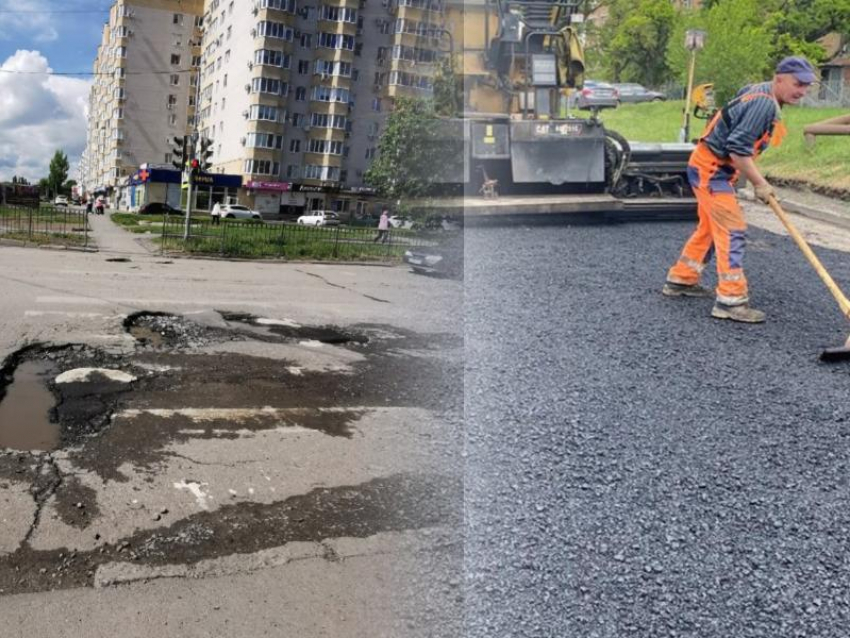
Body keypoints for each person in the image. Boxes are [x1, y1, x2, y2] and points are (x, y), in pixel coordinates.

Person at [663, 56, 816, 323]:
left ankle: (681, 279)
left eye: (807, 86)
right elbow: (736, 150)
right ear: (779, 78)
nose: (802, 91)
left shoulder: (759, 91)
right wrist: (760, 184)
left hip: (707, 165)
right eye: (798, 84)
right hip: (712, 171)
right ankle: (731, 301)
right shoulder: (763, 103)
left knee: (711, 227)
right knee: (732, 229)